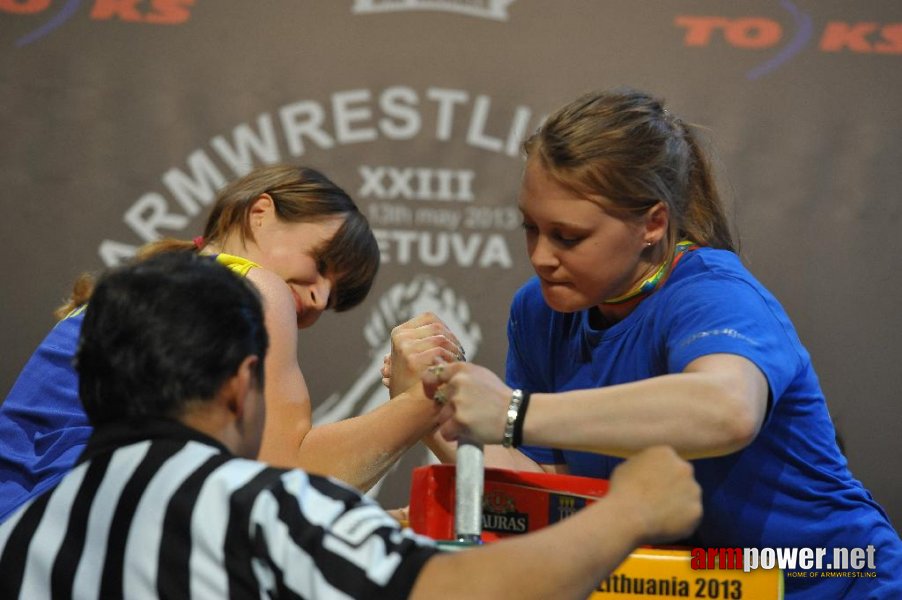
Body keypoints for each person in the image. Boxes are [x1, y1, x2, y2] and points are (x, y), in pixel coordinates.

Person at [414, 88, 902, 598]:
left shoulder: (712, 292)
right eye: (530, 228)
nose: (540, 256)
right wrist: (431, 412)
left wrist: (514, 413)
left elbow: (726, 411)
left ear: (653, 223)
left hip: (839, 579)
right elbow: (548, 491)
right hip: (702, 582)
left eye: (568, 236)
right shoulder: (538, 311)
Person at [0, 253, 702, 599]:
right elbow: (459, 594)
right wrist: (631, 513)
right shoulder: (269, 511)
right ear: (242, 386)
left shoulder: (21, 533)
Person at [0, 164, 460, 523]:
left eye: (335, 298)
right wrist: (423, 399)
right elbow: (280, 484)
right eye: (321, 263)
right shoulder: (256, 287)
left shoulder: (140, 288)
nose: (320, 297)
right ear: (260, 215)